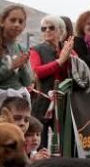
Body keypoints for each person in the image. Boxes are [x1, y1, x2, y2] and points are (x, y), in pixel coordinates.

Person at [0, 4, 34, 121]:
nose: (16, 24)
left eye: (20, 21)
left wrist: (22, 65)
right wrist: (11, 67)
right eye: (13, 20)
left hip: (19, 103)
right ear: (3, 22)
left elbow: (27, 81)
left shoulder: (22, 49)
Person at [30, 14, 73, 149]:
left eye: (51, 27)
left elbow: (76, 71)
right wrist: (59, 61)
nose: (47, 30)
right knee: (39, 141)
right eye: (44, 28)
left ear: (60, 31)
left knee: (65, 143)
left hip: (63, 101)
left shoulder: (66, 48)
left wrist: (69, 57)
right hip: (42, 101)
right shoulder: (36, 49)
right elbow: (37, 71)